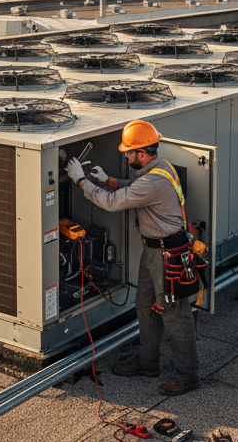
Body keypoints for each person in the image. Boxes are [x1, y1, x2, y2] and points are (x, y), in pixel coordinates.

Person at [65, 119, 201, 396]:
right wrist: (109, 180)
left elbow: (113, 202)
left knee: (175, 316)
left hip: (167, 256)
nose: (126, 157)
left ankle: (188, 376)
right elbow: (134, 187)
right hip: (155, 252)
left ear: (142, 153)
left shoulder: (153, 180)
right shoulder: (160, 168)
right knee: (145, 306)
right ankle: (148, 362)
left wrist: (81, 180)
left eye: (129, 152)